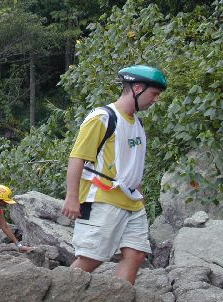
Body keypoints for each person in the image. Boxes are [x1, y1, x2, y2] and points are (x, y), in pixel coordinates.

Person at [61, 65, 168, 285]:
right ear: (137, 88)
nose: (155, 99)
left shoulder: (137, 123)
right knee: (91, 258)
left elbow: (130, 162)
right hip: (102, 197)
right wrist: (72, 196)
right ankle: (55, 294)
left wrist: (137, 191)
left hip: (132, 202)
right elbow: (77, 157)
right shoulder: (102, 117)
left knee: (136, 254)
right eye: (154, 93)